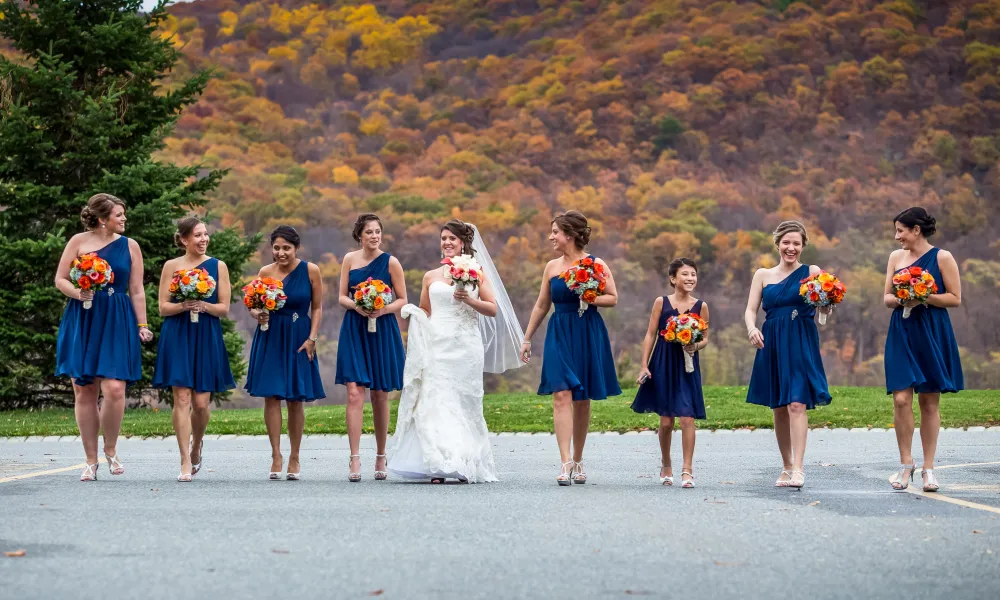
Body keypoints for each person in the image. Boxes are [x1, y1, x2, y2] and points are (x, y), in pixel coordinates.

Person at [389, 220, 524, 483]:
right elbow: (427, 310)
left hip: (465, 345)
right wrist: (414, 315)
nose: (447, 243)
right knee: (435, 399)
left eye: (452, 238)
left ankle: (463, 461)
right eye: (443, 239)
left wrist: (471, 301)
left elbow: (493, 308)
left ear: (462, 243)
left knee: (464, 401)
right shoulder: (431, 276)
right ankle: (438, 464)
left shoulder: (476, 271)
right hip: (437, 344)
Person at [54, 193, 153, 481]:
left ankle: (110, 449)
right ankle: (90, 459)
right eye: (119, 215)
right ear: (102, 219)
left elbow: (136, 289)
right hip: (83, 317)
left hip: (116, 317)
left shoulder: (130, 246)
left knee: (114, 389)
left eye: (124, 214)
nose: (124, 219)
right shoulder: (78, 242)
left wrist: (142, 324)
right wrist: (78, 291)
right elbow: (60, 278)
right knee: (84, 389)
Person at [519, 211, 621, 486]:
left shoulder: (595, 263)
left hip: (587, 329)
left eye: (555, 232)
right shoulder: (551, 267)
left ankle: (578, 459)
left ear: (570, 235)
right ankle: (564, 462)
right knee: (561, 393)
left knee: (582, 397)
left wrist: (589, 295)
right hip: (559, 330)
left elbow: (612, 297)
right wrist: (526, 337)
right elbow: (542, 304)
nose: (551, 237)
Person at [745, 220, 832, 489]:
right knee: (779, 407)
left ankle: (799, 468)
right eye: (786, 242)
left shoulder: (813, 271)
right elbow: (750, 310)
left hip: (800, 339)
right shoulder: (762, 275)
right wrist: (751, 329)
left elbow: (824, 308)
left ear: (803, 246)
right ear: (778, 244)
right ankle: (785, 465)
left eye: (796, 243)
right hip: (771, 340)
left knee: (797, 403)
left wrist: (826, 307)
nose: (790, 248)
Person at [883, 207, 963, 493]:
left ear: (916, 230)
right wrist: (904, 297)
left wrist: (923, 296)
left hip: (931, 331)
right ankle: (906, 464)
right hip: (902, 332)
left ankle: (929, 469)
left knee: (929, 401)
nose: (897, 237)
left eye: (901, 231)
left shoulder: (942, 257)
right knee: (901, 399)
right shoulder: (895, 258)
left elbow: (955, 298)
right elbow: (887, 298)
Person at [153, 216, 235, 482]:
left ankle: (197, 444)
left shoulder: (218, 266)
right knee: (182, 398)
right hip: (177, 334)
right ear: (184, 239)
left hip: (206, 334)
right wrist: (183, 305)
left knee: (200, 404)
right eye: (198, 235)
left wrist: (203, 306)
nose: (203, 239)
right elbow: (163, 307)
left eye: (205, 234)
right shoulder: (171, 266)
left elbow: (224, 308)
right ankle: (184, 460)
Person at [244, 225, 325, 480]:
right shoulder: (265, 272)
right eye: (277, 248)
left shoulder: (311, 270)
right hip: (271, 336)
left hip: (299, 335)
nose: (281, 253)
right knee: (272, 396)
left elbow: (319, 308)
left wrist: (312, 338)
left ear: (296, 248)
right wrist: (257, 313)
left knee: (295, 399)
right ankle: (276, 455)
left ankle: (295, 457)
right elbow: (253, 305)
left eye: (286, 248)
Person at [335, 214, 406, 482]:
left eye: (377, 232)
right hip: (355, 327)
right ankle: (354, 457)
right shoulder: (349, 259)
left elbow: (402, 299)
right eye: (369, 232)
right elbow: (342, 296)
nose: (374, 236)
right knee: (354, 392)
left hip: (382, 328)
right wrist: (359, 305)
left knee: (379, 394)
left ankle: (380, 455)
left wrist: (380, 309)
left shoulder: (392, 262)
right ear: (360, 236)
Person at [632, 258, 709, 488]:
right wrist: (644, 364)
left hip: (687, 365)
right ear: (673, 279)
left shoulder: (701, 306)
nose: (690, 278)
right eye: (685, 274)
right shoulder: (661, 302)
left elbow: (705, 338)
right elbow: (650, 334)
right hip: (663, 362)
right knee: (666, 421)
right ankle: (666, 464)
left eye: (693, 274)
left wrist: (695, 346)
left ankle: (687, 470)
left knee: (687, 417)